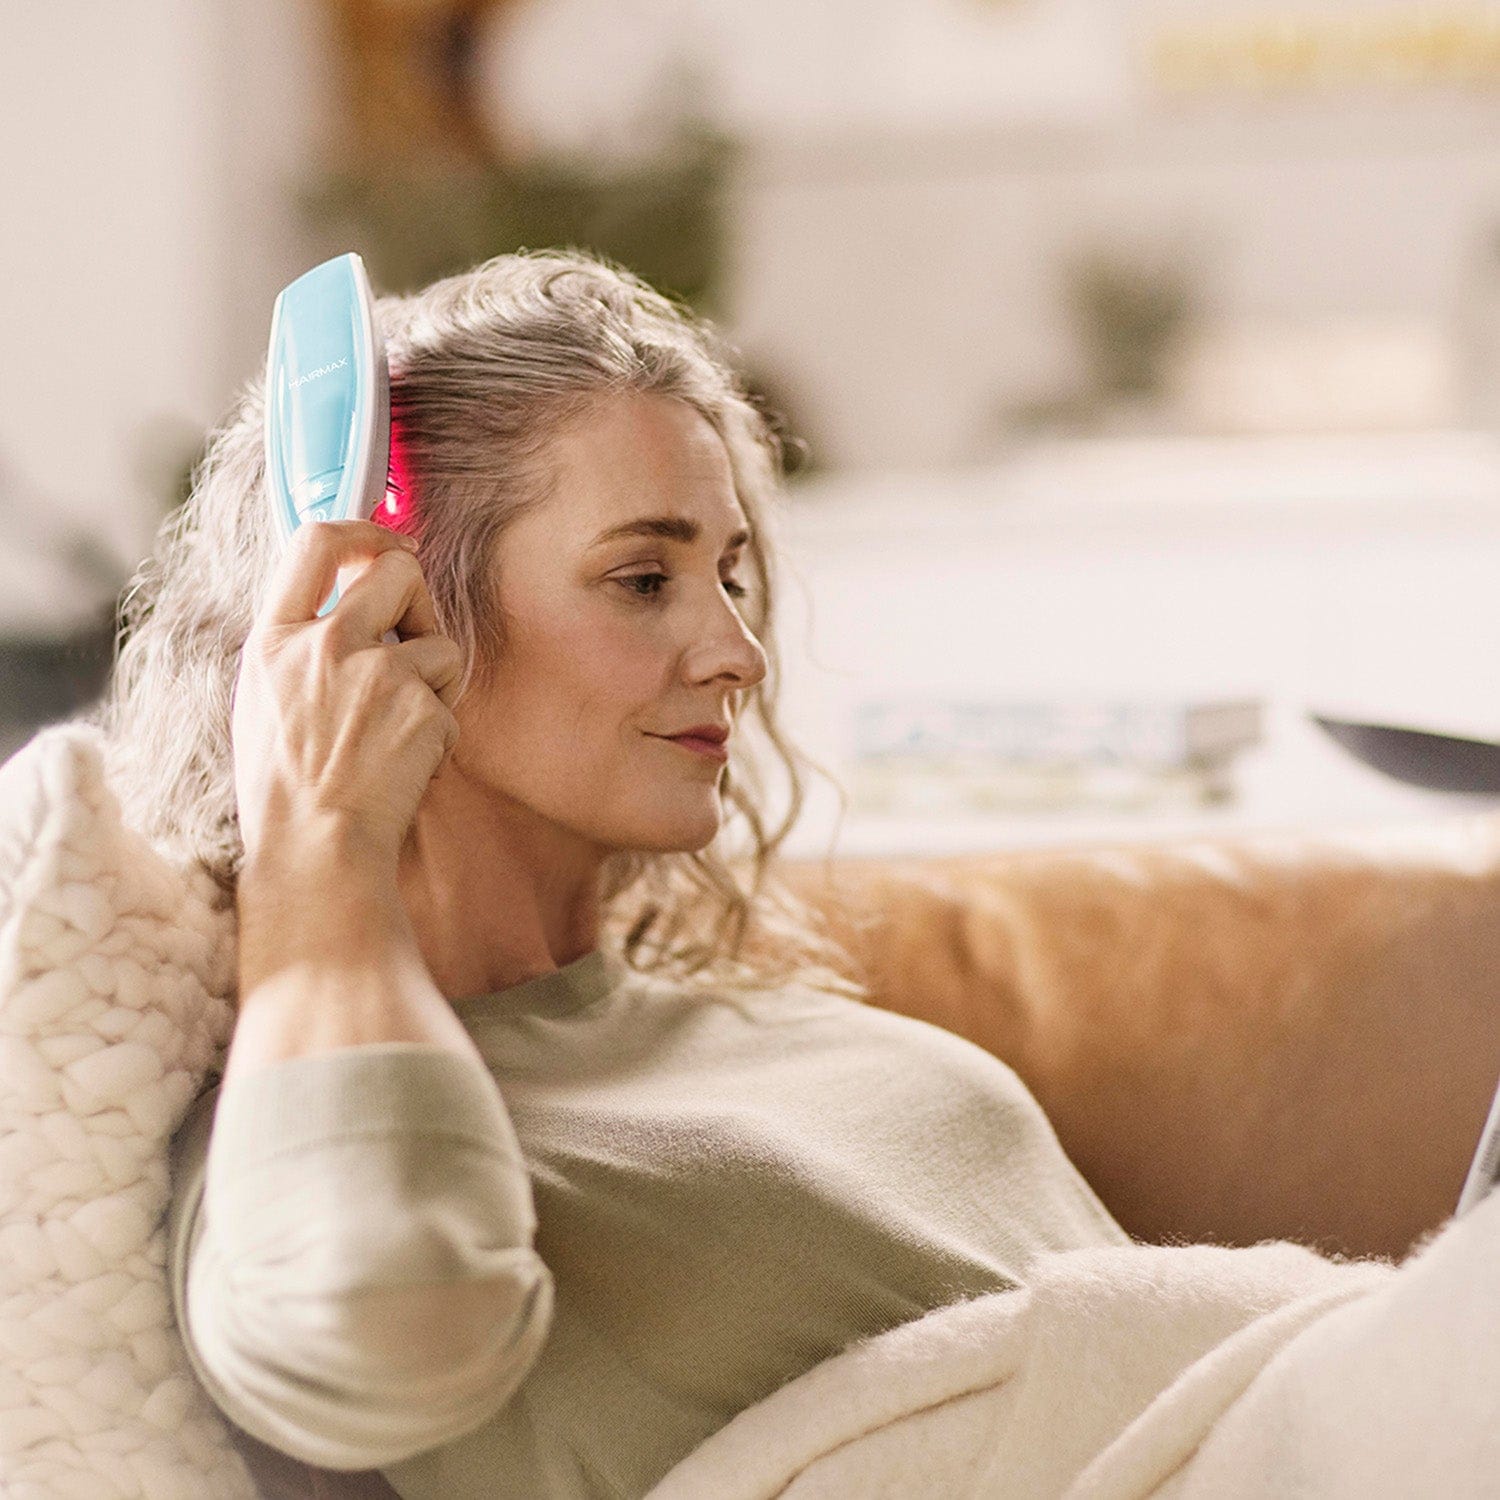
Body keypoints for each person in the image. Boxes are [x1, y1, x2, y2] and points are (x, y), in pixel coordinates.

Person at [97, 248, 1132, 1498]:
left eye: (730, 574)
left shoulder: (791, 1033)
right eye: (644, 579)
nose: (740, 653)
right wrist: (317, 840)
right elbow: (375, 1332)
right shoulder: (301, 1134)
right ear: (383, 619)